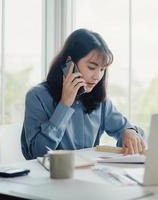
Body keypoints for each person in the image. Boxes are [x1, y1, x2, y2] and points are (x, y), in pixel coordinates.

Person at [21, 29, 146, 160]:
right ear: (69, 63)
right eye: (91, 67)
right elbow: (37, 153)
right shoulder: (37, 96)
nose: (97, 76)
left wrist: (130, 132)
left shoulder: (100, 101)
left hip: (89, 175)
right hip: (50, 178)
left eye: (102, 69)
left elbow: (124, 129)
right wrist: (64, 105)